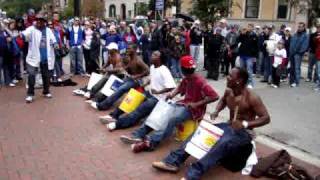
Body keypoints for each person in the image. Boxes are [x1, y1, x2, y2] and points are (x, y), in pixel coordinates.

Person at [152, 67, 270, 180]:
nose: (227, 78)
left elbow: (266, 118)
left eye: (230, 76)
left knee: (222, 142)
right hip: (229, 125)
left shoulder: (252, 97)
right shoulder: (229, 91)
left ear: (239, 81)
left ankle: (193, 174)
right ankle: (172, 162)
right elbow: (223, 101)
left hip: (244, 132)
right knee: (201, 132)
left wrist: (244, 124)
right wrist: (217, 110)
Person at [120, 55, 219, 153]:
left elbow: (215, 96)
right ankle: (137, 135)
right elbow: (180, 87)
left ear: (182, 69)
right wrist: (172, 94)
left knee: (172, 119)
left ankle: (151, 142)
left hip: (193, 110)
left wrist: (196, 104)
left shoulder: (200, 81)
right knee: (159, 114)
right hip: (183, 104)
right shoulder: (187, 78)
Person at [100, 51, 176, 131]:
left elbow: (171, 87)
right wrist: (145, 84)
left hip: (158, 98)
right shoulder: (152, 67)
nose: (152, 56)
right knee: (129, 100)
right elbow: (154, 79)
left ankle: (117, 124)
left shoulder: (164, 70)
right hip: (149, 93)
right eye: (153, 54)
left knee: (138, 110)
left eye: (155, 55)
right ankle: (114, 116)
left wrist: (158, 92)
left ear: (160, 59)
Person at [91, 44, 149, 111]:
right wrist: (124, 69)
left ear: (135, 50)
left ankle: (103, 105)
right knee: (115, 86)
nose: (127, 50)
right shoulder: (129, 58)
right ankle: (100, 100)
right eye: (127, 49)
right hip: (130, 78)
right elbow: (127, 67)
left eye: (130, 49)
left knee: (121, 88)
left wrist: (137, 76)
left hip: (137, 81)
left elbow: (148, 70)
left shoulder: (138, 60)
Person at [22, 14, 58, 103]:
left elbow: (53, 40)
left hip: (45, 57)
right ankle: (30, 94)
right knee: (31, 75)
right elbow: (24, 34)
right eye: (37, 20)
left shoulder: (48, 30)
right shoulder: (32, 29)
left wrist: (55, 44)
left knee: (46, 76)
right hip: (33, 58)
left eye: (41, 20)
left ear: (44, 22)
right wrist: (21, 35)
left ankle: (46, 91)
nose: (38, 21)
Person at [238, 24, 259, 88]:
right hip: (242, 54)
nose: (249, 28)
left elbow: (256, 47)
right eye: (248, 27)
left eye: (250, 27)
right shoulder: (244, 34)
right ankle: (242, 82)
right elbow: (239, 40)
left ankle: (250, 83)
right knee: (242, 70)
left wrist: (255, 56)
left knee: (249, 70)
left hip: (249, 56)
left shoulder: (254, 36)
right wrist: (242, 33)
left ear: (252, 28)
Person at [289, 22, 309, 87]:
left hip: (298, 54)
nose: (299, 28)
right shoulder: (295, 34)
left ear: (303, 28)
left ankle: (296, 82)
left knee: (297, 68)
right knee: (292, 67)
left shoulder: (305, 35)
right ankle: (291, 81)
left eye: (301, 27)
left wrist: (299, 52)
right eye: (299, 26)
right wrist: (291, 51)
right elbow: (291, 43)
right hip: (292, 53)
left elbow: (304, 46)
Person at [313, 24, 320, 92]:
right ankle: (318, 85)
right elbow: (314, 41)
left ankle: (318, 86)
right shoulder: (317, 36)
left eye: (319, 28)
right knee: (318, 72)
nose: (318, 30)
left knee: (319, 73)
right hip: (318, 56)